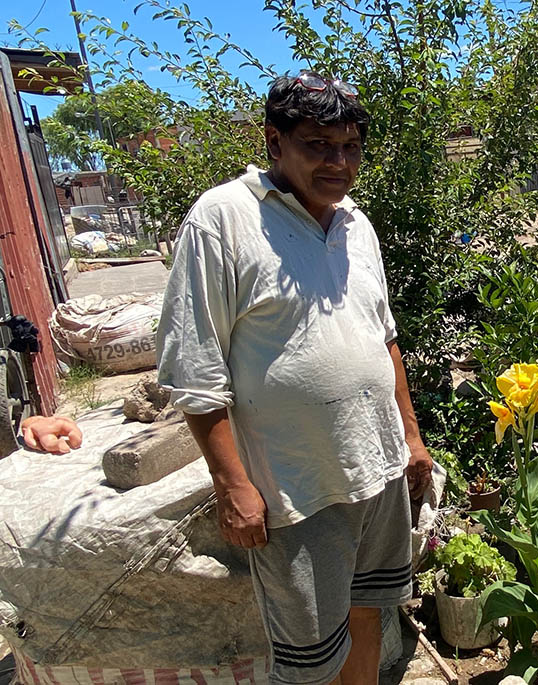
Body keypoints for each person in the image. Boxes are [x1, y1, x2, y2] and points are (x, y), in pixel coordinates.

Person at [156, 72, 433, 685]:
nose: (339, 162)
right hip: (296, 491)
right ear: (274, 142)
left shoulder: (356, 225)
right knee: (309, 660)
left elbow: (383, 340)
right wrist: (233, 484)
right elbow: (194, 365)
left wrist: (410, 440)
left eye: (351, 147)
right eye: (318, 144)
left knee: (369, 612)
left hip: (378, 471)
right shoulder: (223, 219)